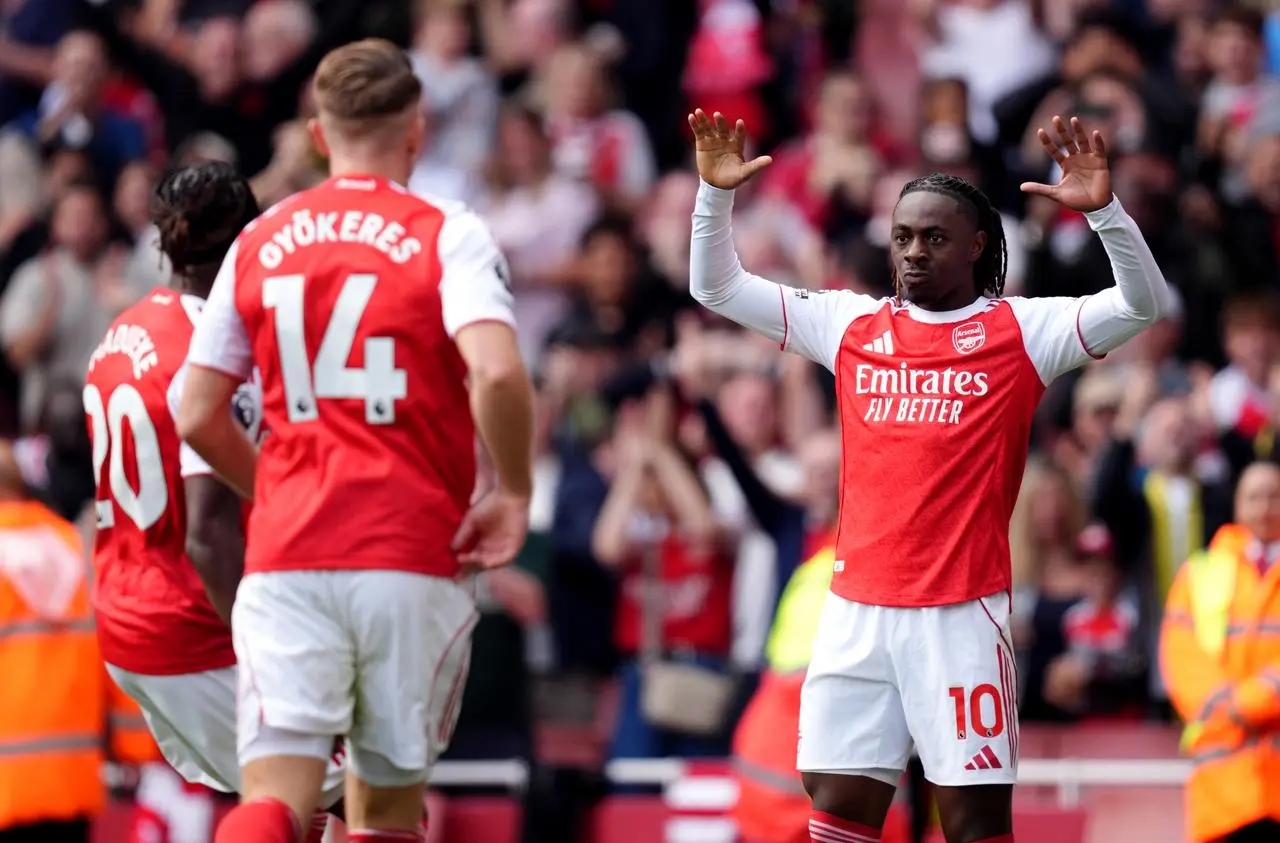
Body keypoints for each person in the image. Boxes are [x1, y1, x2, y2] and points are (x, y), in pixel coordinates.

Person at [686, 109, 1170, 843]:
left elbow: (1143, 304)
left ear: (977, 246)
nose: (913, 252)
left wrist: (1105, 214)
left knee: (973, 822)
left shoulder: (1022, 331)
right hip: (855, 613)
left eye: (935, 238)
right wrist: (714, 194)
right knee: (837, 815)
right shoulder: (849, 324)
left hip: (962, 616)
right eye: (903, 236)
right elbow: (716, 288)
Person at [175, 39, 535, 843]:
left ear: (317, 134)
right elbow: (496, 372)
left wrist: (273, 485)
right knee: (383, 812)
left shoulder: (260, 239)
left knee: (274, 797)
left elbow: (197, 413)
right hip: (410, 552)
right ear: (417, 130)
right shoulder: (447, 231)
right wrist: (512, 490)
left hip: (290, 552)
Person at [83, 161, 343, 843]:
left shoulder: (119, 335)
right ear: (248, 238)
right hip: (192, 622)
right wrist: (262, 653)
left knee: (303, 807)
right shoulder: (217, 354)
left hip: (125, 613)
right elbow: (207, 532)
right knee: (362, 786)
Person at [1160, 461, 1280, 843]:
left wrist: (1254, 701)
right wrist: (1230, 707)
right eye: (1254, 497)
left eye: (1274, 496)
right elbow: (1182, 658)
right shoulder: (1201, 572)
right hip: (1223, 791)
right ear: (1237, 506)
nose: (1265, 507)